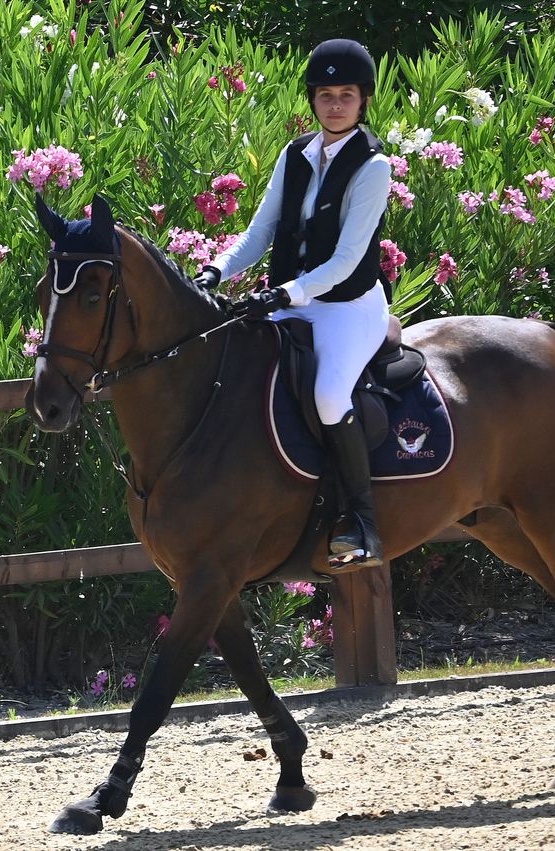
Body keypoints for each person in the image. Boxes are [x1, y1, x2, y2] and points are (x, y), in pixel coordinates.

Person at [195, 38, 392, 572]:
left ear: (363, 101)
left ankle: (363, 521)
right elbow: (261, 232)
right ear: (312, 100)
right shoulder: (294, 155)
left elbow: (350, 259)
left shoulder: (374, 168)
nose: (334, 105)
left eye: (345, 95)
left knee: (329, 395)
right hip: (289, 300)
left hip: (347, 308)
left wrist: (290, 292)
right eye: (325, 94)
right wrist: (217, 268)